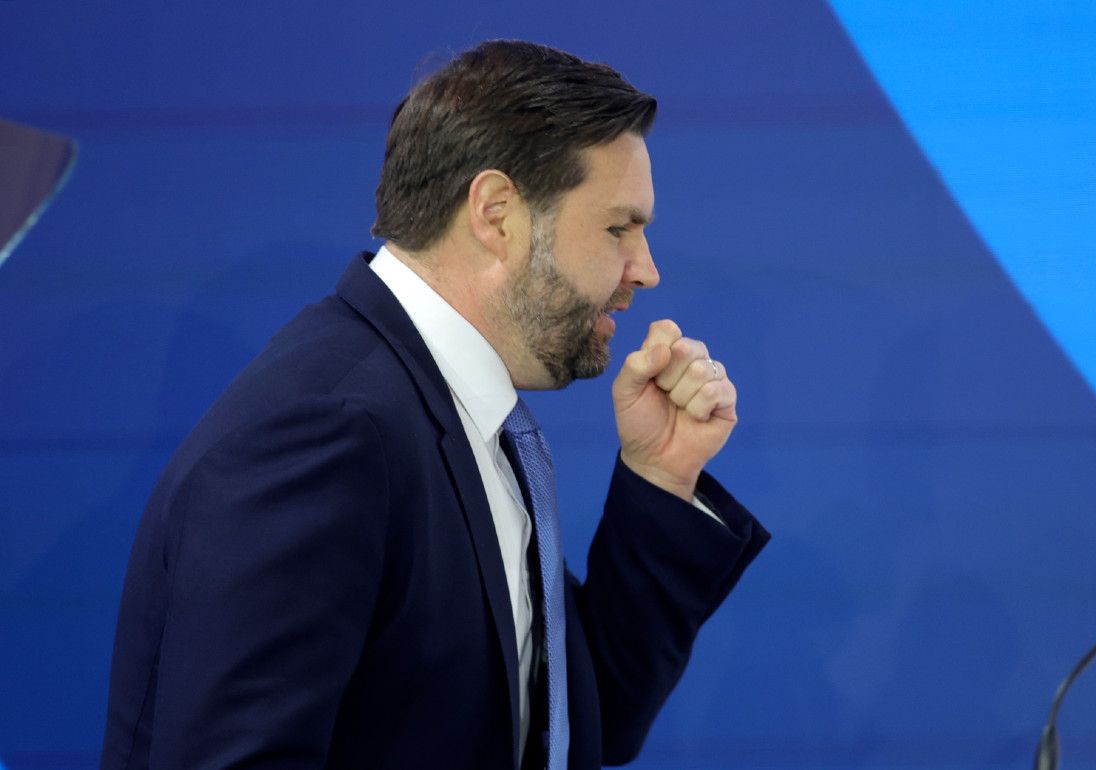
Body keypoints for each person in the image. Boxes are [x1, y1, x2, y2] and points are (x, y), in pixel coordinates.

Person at [101, 40, 769, 770]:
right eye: (618, 227)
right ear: (496, 212)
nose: (645, 269)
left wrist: (660, 476)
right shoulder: (326, 433)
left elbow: (576, 719)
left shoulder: (460, 410)